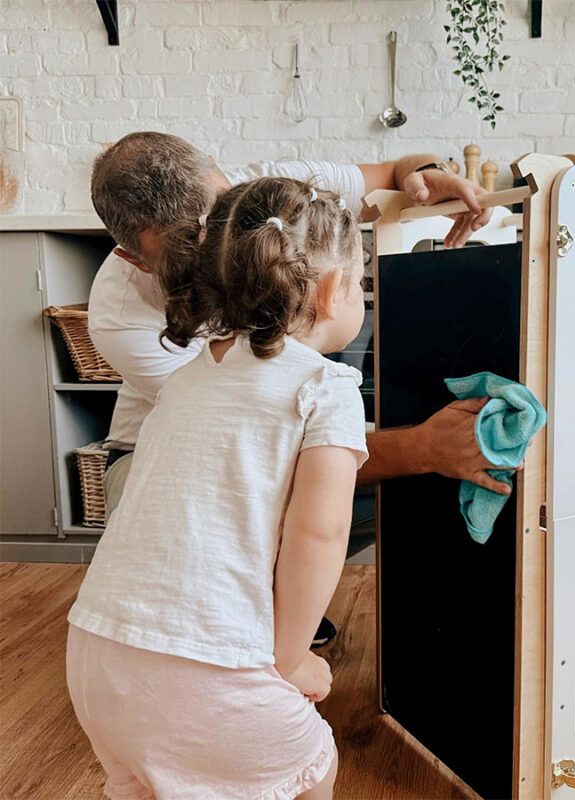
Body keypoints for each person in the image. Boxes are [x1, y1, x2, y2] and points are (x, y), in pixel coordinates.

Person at [88, 132, 519, 645]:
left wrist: (426, 174)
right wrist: (423, 447)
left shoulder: (270, 192)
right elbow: (253, 456)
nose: (219, 255)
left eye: (222, 223)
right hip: (169, 455)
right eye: (187, 250)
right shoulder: (121, 318)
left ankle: (262, 600)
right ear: (135, 260)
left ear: (223, 175)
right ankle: (228, 612)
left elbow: (396, 170)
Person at [67, 176, 370, 800]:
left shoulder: (184, 380)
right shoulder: (327, 387)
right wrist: (290, 659)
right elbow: (319, 533)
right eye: (361, 282)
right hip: (207, 674)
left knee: (149, 782)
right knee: (314, 765)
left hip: (97, 656)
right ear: (332, 290)